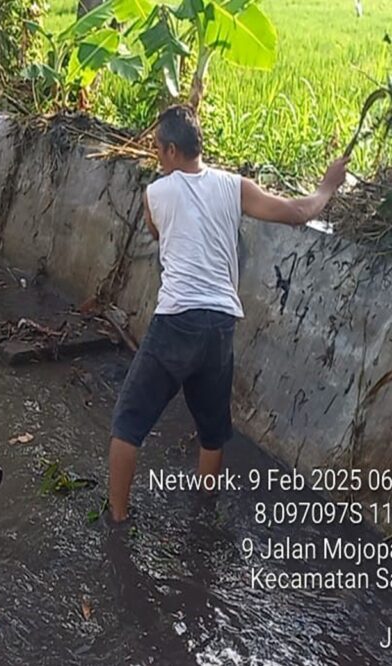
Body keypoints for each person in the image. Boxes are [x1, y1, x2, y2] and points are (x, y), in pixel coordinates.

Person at [107, 105, 350, 522]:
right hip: (220, 325)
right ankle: (205, 513)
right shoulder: (234, 186)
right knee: (213, 430)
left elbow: (157, 231)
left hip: (176, 320)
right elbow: (297, 213)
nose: (158, 158)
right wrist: (328, 185)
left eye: (158, 150)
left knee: (127, 425)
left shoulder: (156, 194)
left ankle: (116, 519)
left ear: (169, 150)